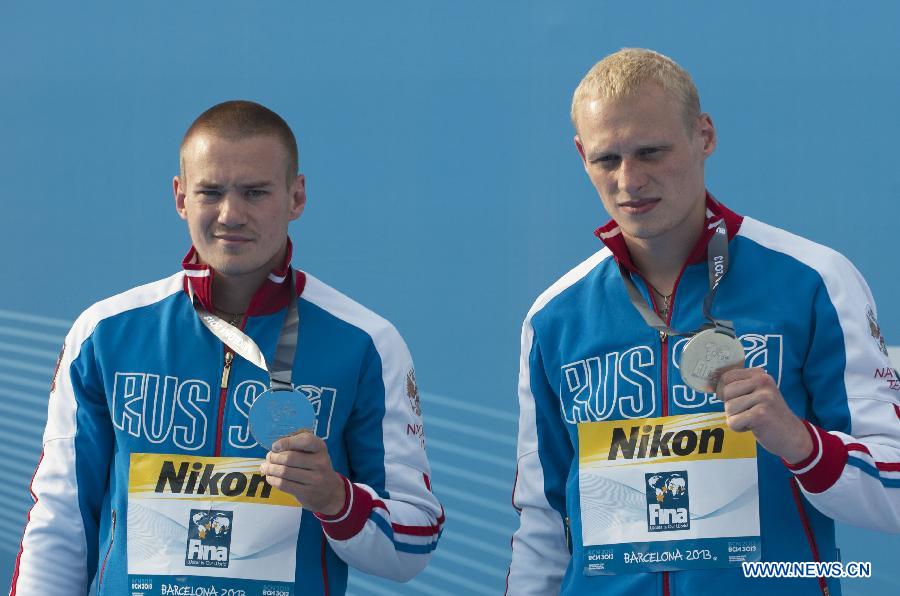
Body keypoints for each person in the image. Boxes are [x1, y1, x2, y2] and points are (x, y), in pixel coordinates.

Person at [507, 48, 900, 595]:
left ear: (704, 136)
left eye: (651, 151)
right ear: (581, 156)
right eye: (606, 159)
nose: (630, 180)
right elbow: (543, 524)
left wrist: (799, 443)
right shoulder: (553, 317)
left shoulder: (813, 281)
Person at [11, 101, 443, 595]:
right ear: (180, 197)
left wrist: (335, 499)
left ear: (296, 196)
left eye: (255, 192)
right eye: (210, 192)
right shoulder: (104, 333)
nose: (230, 214)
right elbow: (61, 523)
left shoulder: (366, 344)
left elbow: (414, 540)